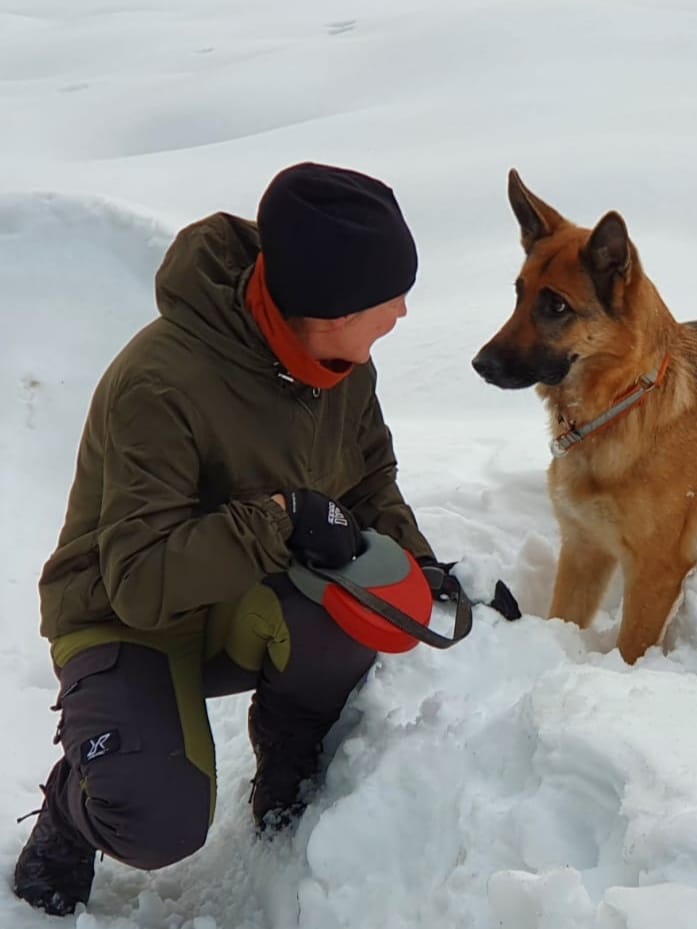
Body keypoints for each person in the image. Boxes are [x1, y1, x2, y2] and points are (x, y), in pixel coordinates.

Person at [13, 162, 472, 916]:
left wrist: (415, 561)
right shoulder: (160, 384)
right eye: (387, 296)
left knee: (353, 617)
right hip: (123, 618)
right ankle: (73, 807)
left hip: (238, 598)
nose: (402, 312)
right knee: (157, 821)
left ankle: (290, 760)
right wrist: (281, 517)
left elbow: (367, 482)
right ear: (327, 305)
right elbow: (140, 580)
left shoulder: (342, 366)